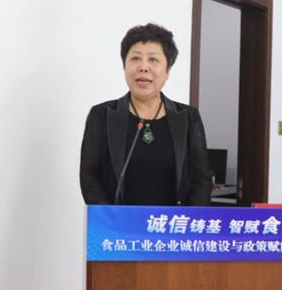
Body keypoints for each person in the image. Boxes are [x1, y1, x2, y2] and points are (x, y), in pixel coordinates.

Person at [80, 23, 212, 205]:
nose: (143, 67)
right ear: (125, 66)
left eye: (153, 60)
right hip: (118, 222)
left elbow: (201, 179)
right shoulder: (102, 115)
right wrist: (111, 217)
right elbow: (89, 175)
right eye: (135, 58)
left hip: (173, 222)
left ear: (167, 71)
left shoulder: (189, 117)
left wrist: (189, 219)